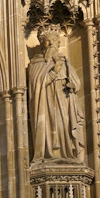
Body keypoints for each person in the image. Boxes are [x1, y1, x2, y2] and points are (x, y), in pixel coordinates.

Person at [28, 25, 85, 163]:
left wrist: (72, 85)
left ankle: (67, 154)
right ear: (42, 44)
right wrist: (54, 72)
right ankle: (49, 154)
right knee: (49, 128)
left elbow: (76, 82)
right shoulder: (36, 64)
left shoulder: (64, 62)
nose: (52, 44)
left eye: (55, 41)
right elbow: (37, 87)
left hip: (64, 102)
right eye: (48, 41)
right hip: (46, 105)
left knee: (64, 127)